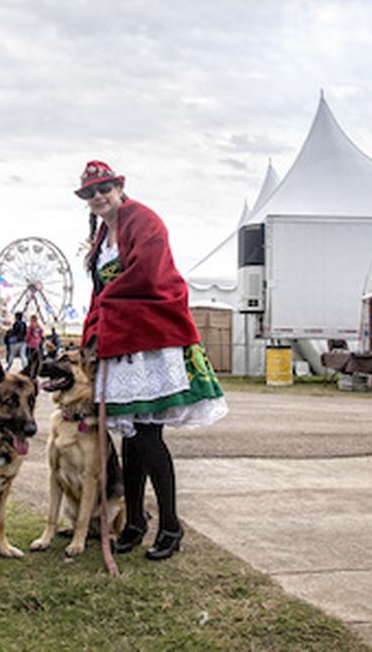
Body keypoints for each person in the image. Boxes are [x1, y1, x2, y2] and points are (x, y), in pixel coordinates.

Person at [77, 160, 227, 561]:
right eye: (91, 193)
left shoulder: (143, 220)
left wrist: (105, 305)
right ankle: (136, 523)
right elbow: (98, 291)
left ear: (119, 187)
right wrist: (90, 330)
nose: (98, 197)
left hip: (149, 339)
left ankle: (171, 525)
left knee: (148, 436)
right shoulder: (101, 237)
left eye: (104, 188)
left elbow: (147, 274)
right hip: (120, 339)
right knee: (131, 438)